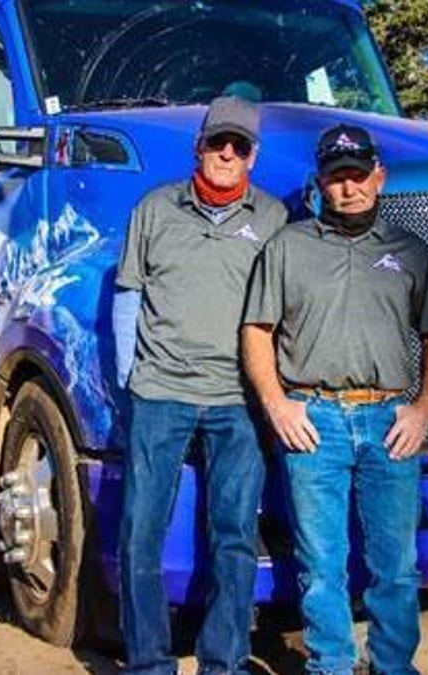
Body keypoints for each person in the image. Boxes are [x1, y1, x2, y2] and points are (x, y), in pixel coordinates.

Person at [241, 124, 428, 674]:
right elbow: (257, 331)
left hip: (389, 422)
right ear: (321, 184)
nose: (349, 189)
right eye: (337, 179)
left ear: (378, 178)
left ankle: (392, 665)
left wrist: (423, 409)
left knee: (397, 564)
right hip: (315, 422)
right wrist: (278, 405)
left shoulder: (410, 251)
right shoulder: (287, 247)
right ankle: (330, 665)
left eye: (358, 176)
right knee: (321, 561)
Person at [114, 96, 287, 674]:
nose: (228, 155)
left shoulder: (272, 220)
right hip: (159, 393)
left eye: (240, 147)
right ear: (200, 147)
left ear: (253, 157)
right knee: (141, 534)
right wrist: (129, 379)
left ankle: (224, 662)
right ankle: (148, 664)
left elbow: (285, 310)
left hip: (238, 403)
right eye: (219, 143)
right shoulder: (155, 209)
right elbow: (129, 296)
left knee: (234, 537)